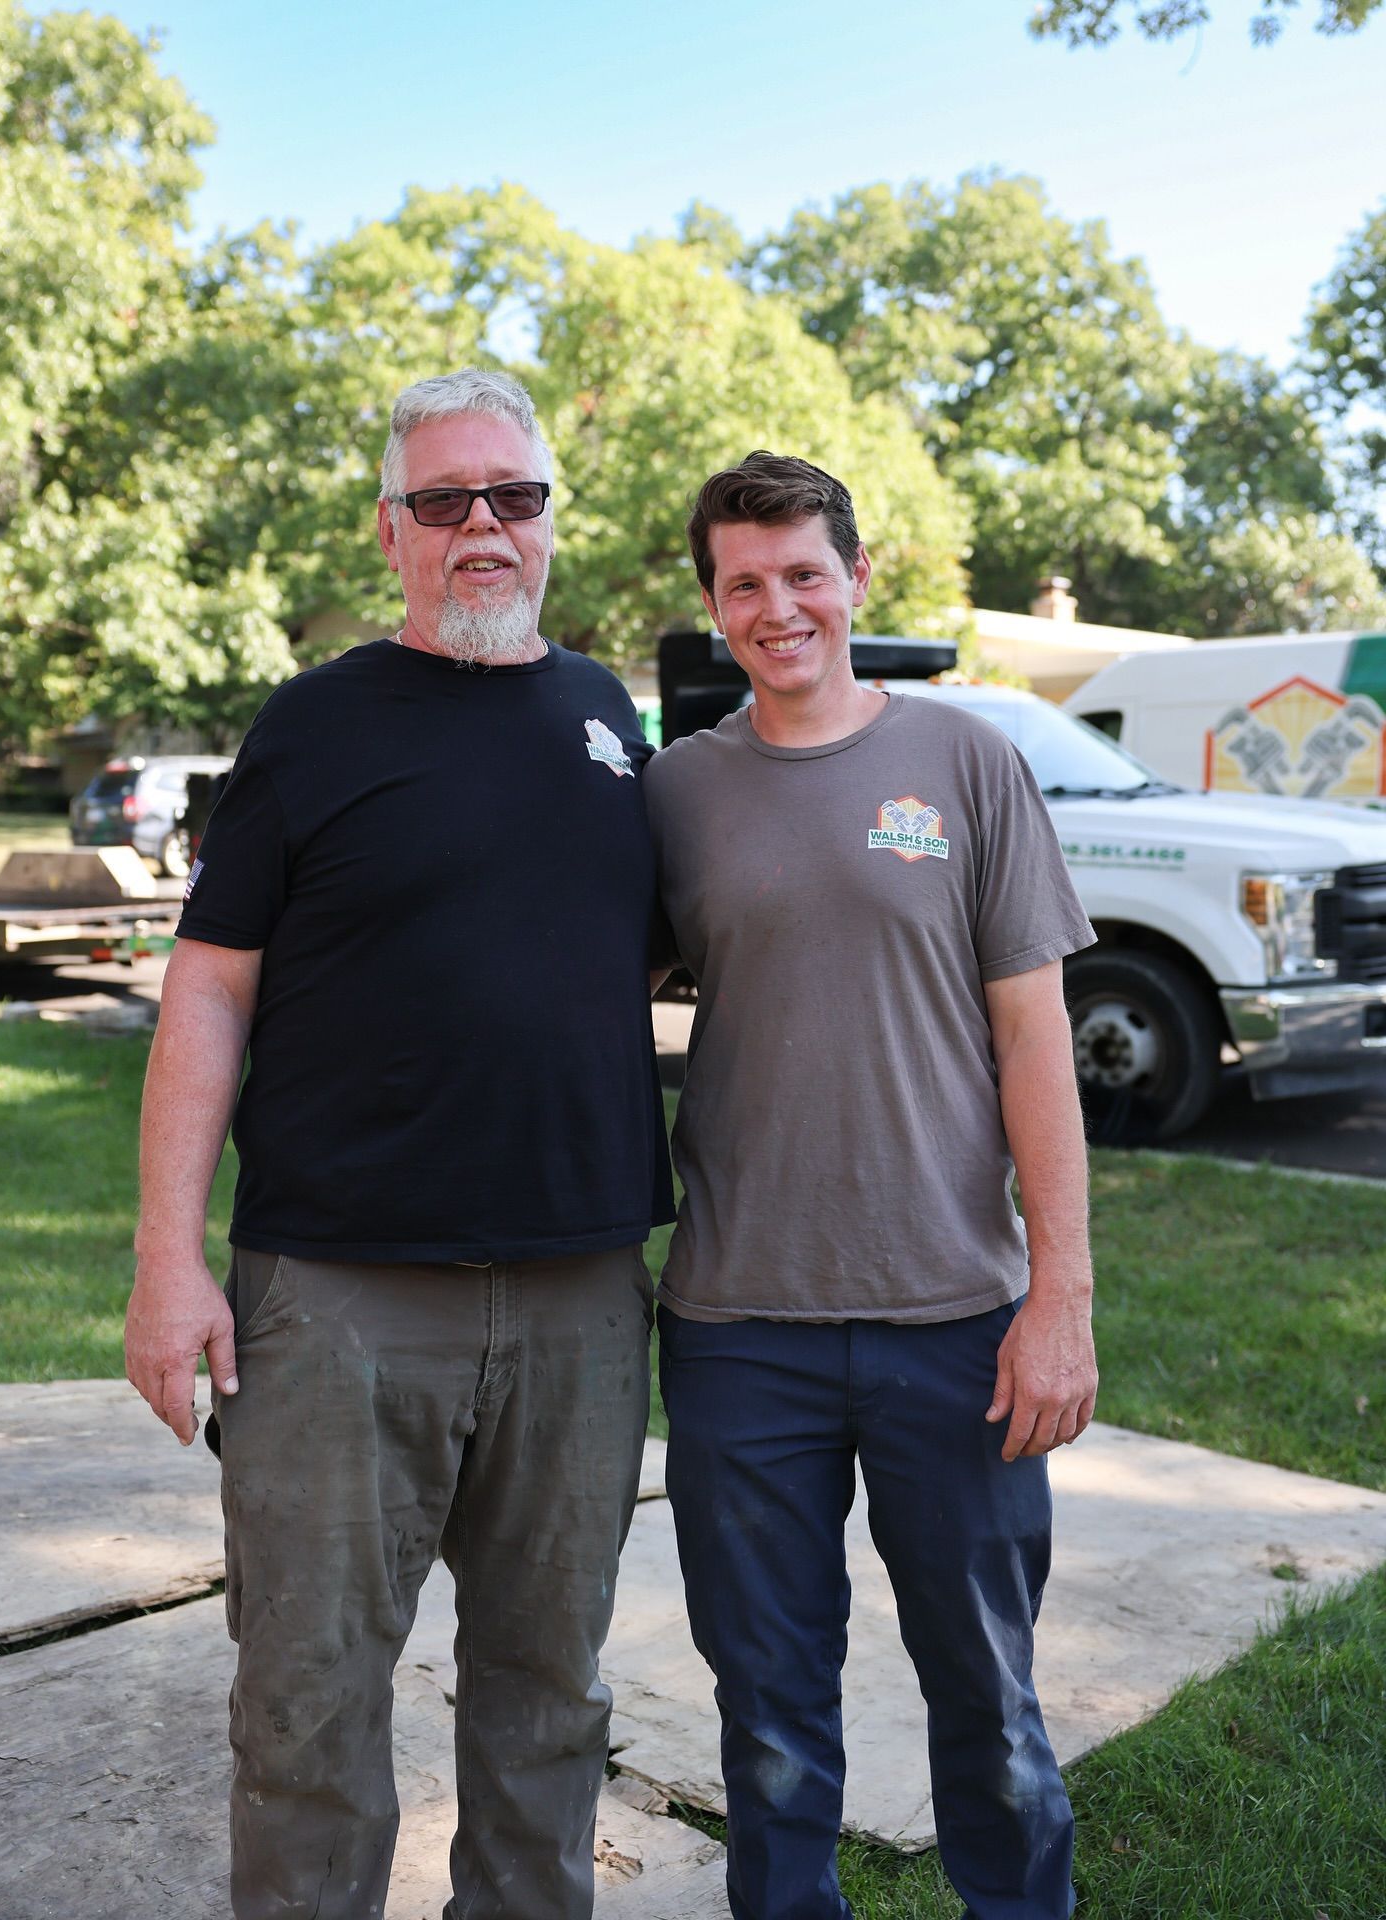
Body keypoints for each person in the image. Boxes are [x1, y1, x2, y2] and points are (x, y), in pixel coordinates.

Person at [124, 368, 673, 1920]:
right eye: (446, 501)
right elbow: (209, 992)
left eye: (513, 496)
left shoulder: (604, 717)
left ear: (552, 520)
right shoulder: (311, 727)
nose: (483, 526)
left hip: (578, 1295)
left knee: (550, 1697)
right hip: (339, 1298)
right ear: (393, 534)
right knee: (307, 1709)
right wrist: (170, 1263)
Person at [643, 451, 1098, 1920]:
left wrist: (1060, 1304)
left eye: (802, 574)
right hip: (737, 1328)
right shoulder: (675, 793)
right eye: (745, 584)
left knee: (991, 1698)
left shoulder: (967, 762)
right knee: (769, 1712)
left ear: (855, 577)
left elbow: (1036, 1040)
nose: (778, 607)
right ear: (714, 608)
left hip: (955, 1318)